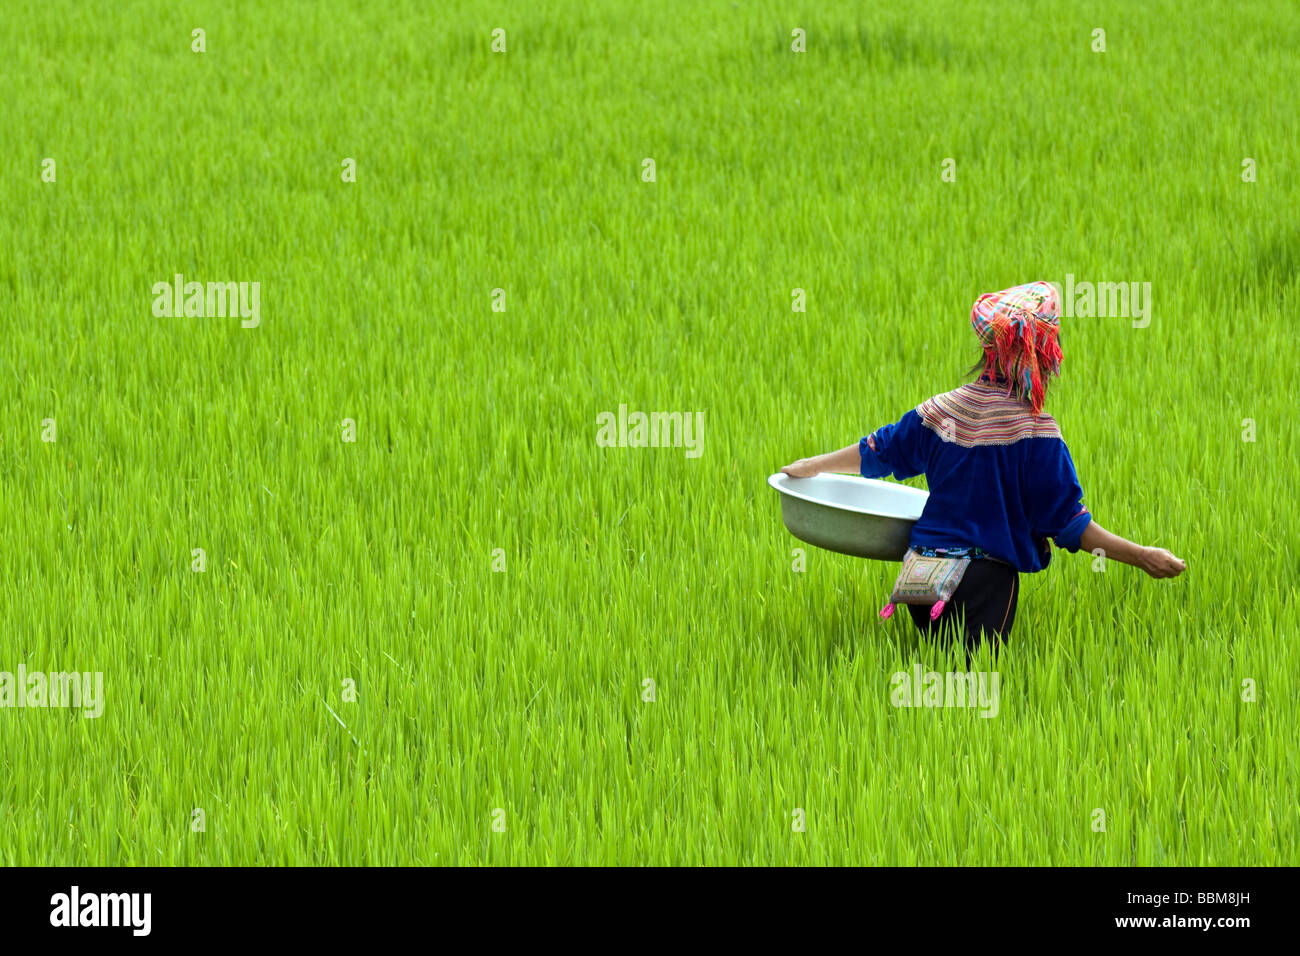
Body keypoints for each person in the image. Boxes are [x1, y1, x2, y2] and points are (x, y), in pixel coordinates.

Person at [780, 280, 1185, 650]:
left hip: (921, 577)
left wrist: (814, 465)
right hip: (983, 582)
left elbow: (880, 451)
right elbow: (1070, 525)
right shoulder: (1036, 432)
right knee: (976, 685)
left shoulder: (939, 411)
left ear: (989, 349)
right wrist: (1142, 556)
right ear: (1043, 355)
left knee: (939, 668)